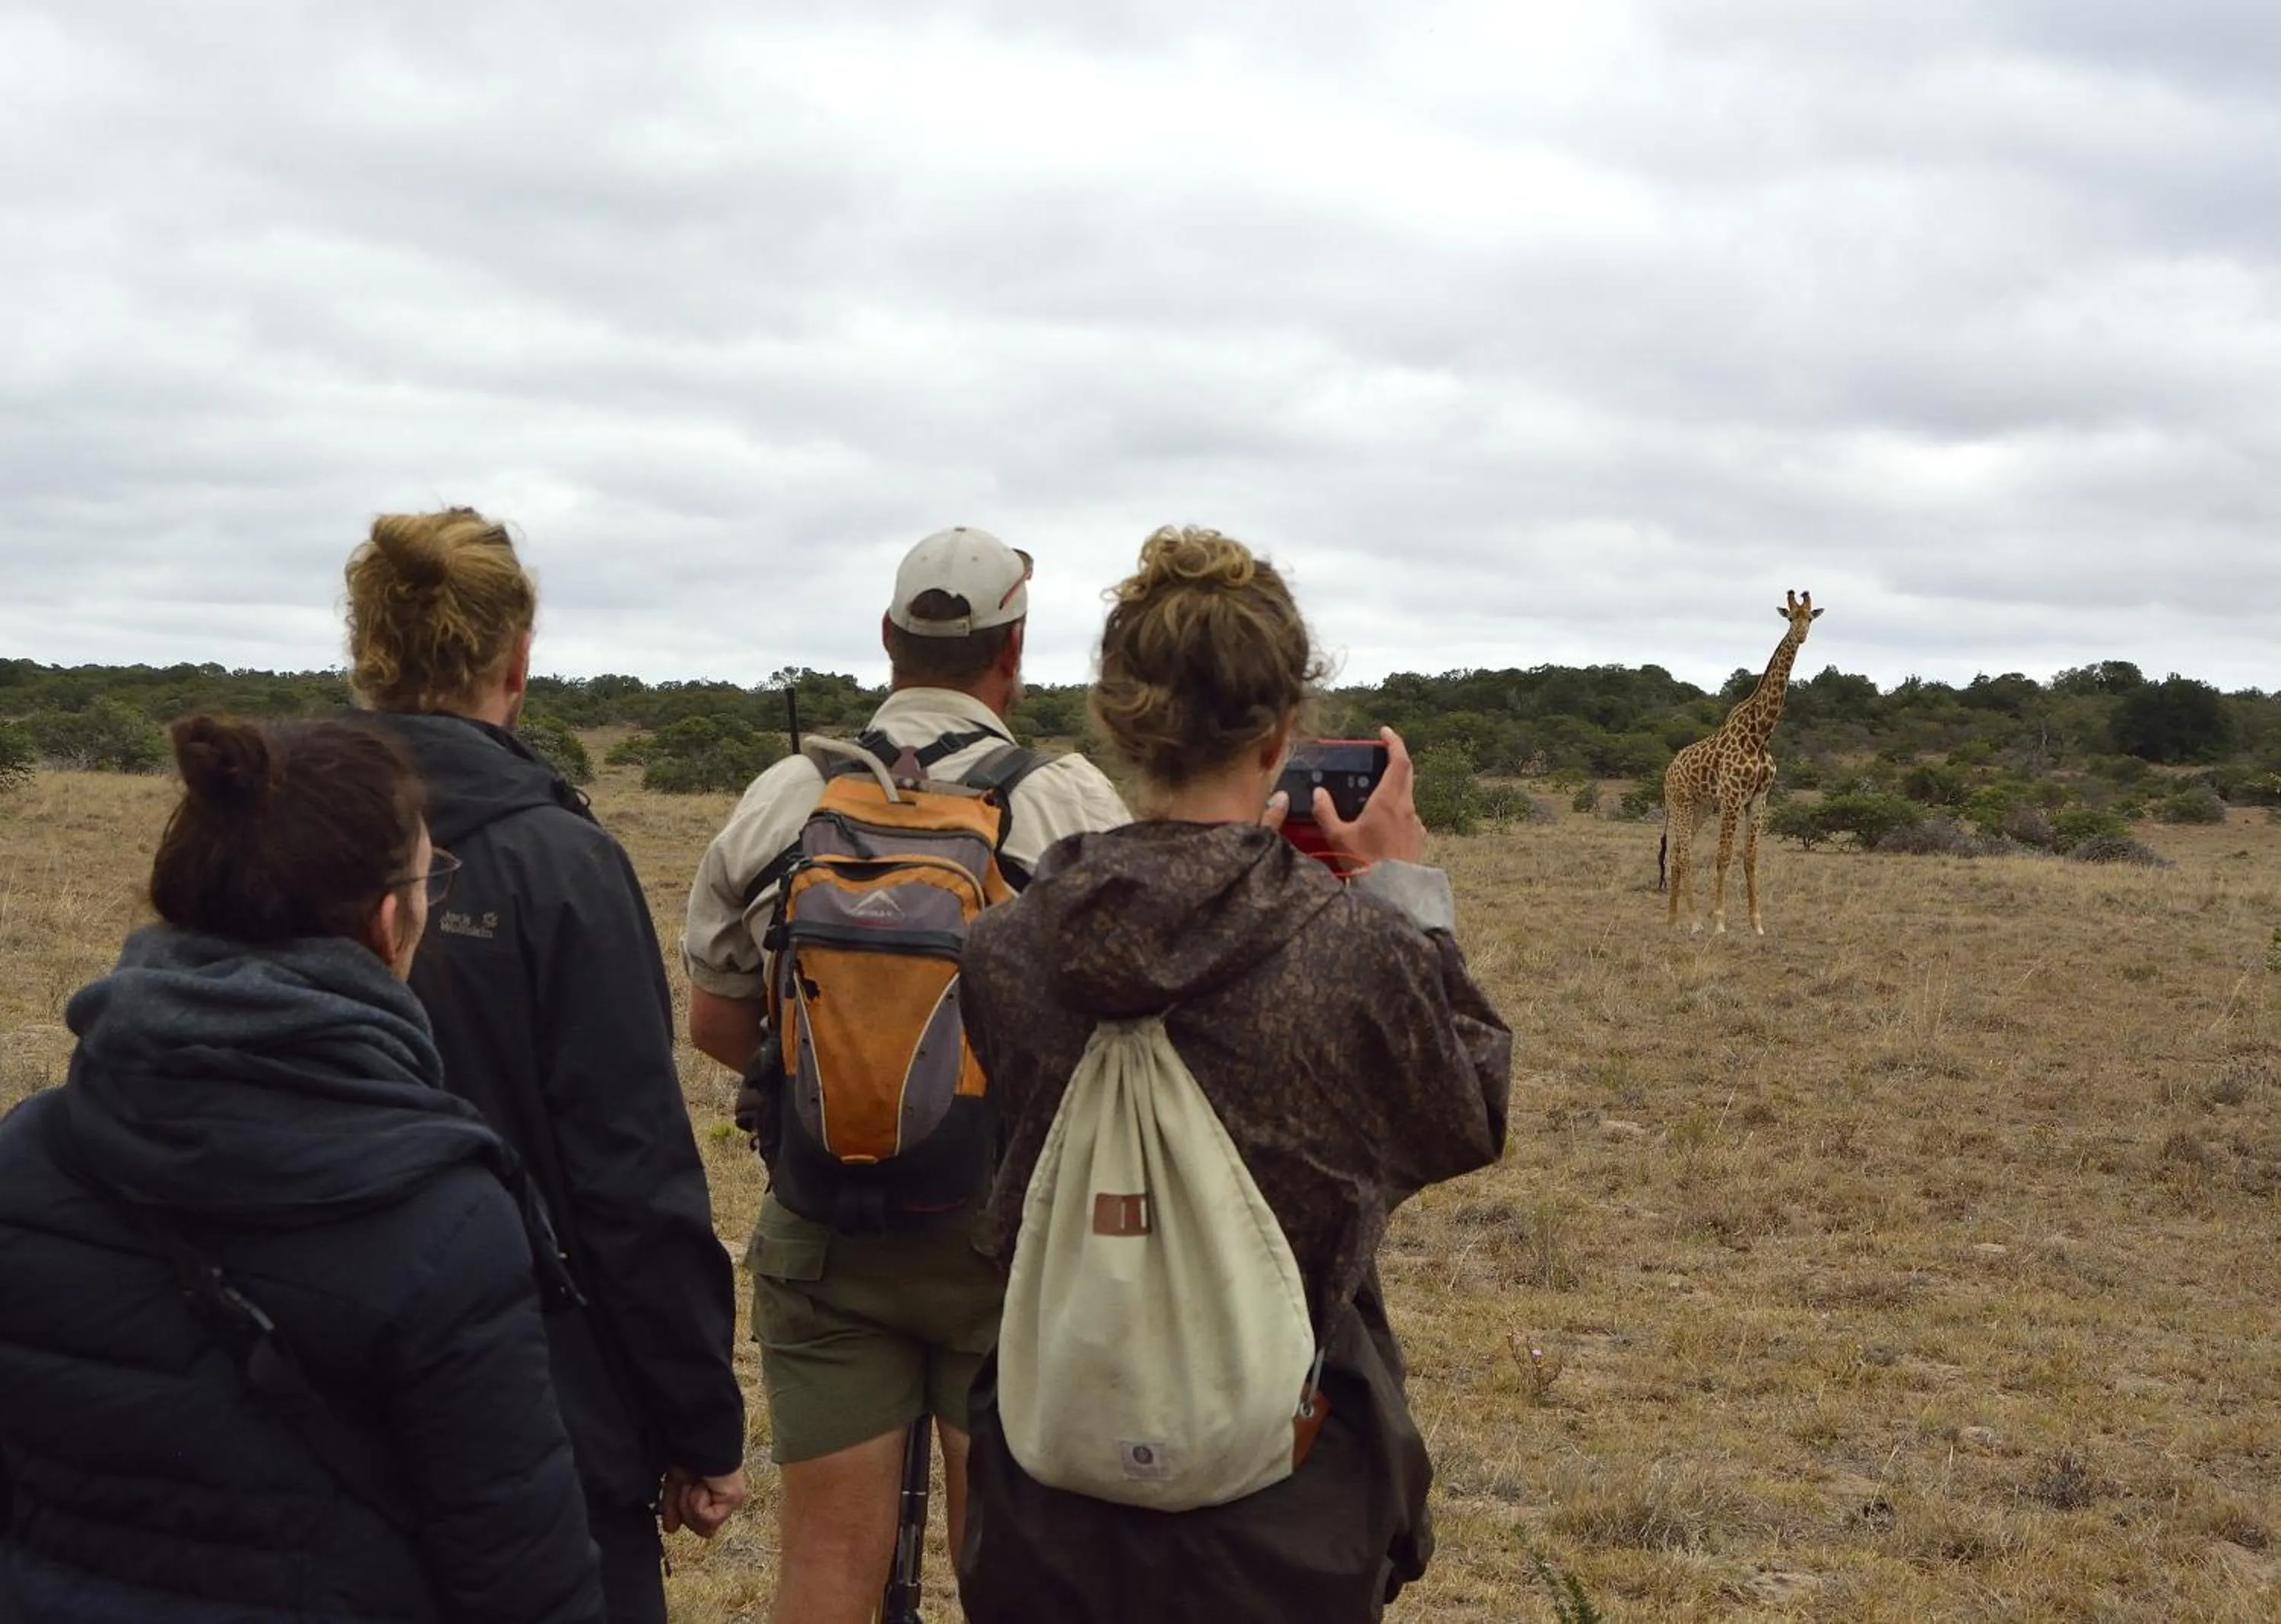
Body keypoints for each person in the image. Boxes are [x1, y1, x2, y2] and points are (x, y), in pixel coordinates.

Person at [953, 525, 1513, 1623]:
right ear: (1283, 731)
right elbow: (1469, 1111)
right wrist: (1405, 893)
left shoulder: (1002, 949)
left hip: (1047, 1495)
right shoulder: (1353, 951)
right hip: (1280, 1507)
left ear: (1119, 718)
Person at [0, 715, 604, 1622]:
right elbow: (524, 1578)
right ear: (387, 918)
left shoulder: (30, 1154)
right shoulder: (444, 1220)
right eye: (427, 878)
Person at [682, 525, 1129, 1624]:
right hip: (1006, 1240)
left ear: (888, 638)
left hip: (826, 1226)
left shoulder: (791, 793)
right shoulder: (1065, 804)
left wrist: (838, 1092)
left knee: (826, 1577)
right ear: (1013, 654)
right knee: (1010, 1577)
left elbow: (714, 1019)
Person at [344, 508, 747, 1622]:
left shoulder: (260, 833)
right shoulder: (562, 863)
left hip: (277, 1409)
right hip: (530, 1422)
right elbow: (629, 1174)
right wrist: (696, 1420)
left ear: (366, 656)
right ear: (517, 664)